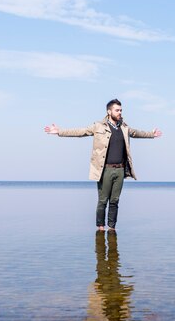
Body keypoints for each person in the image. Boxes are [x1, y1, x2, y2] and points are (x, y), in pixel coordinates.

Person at [44, 99, 162, 231]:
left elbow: (137, 133)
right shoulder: (98, 126)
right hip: (104, 170)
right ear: (109, 111)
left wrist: (152, 134)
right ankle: (100, 228)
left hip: (120, 170)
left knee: (115, 201)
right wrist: (60, 132)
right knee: (102, 201)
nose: (120, 112)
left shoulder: (124, 127)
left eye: (121, 110)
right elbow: (80, 132)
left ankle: (112, 229)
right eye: (117, 110)